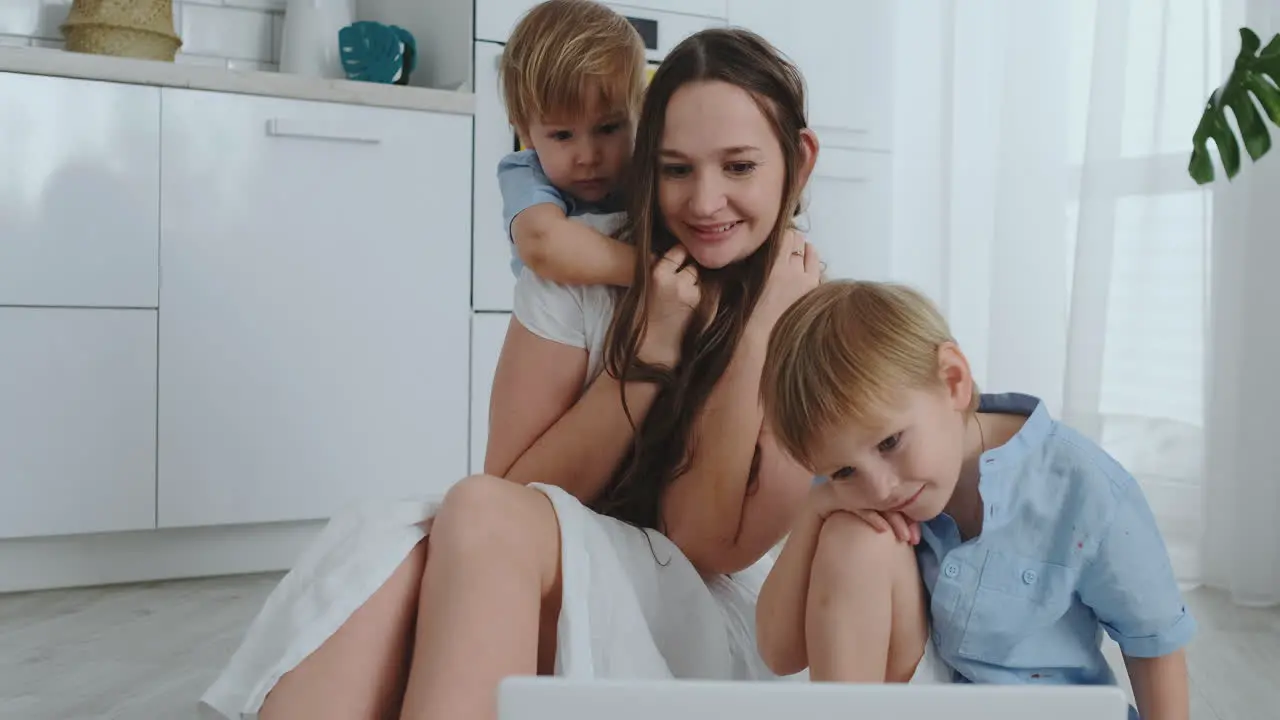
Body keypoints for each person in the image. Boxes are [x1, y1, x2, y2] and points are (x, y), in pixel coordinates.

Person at [197, 28, 949, 720]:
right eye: (676, 170)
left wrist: (755, 336)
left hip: (725, 619)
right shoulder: (583, 269)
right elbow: (513, 489)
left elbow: (707, 547)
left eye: (741, 167)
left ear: (800, 159)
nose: (705, 201)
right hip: (581, 567)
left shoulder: (812, 320)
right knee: (412, 540)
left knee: (463, 522)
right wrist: (648, 352)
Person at [757, 279, 1197, 720]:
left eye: (890, 443)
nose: (880, 489)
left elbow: (1154, 644)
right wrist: (817, 508)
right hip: (938, 696)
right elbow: (779, 655)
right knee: (851, 535)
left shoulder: (1085, 487)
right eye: (843, 471)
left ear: (953, 382)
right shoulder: (857, 480)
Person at [498, 0, 645, 287]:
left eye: (608, 128)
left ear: (641, 115)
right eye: (563, 135)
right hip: (561, 329)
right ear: (525, 133)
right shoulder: (526, 173)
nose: (588, 157)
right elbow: (544, 244)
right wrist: (653, 272)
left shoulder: (642, 167)